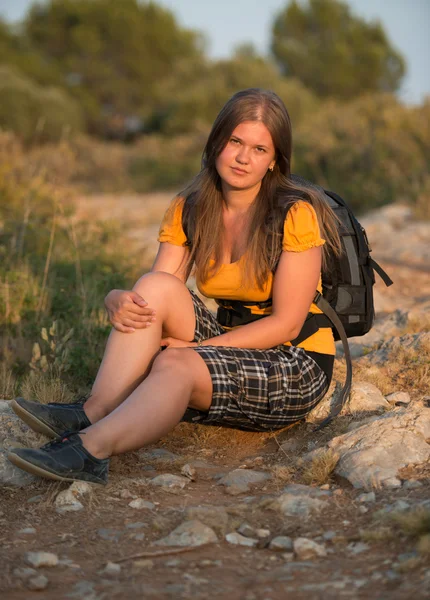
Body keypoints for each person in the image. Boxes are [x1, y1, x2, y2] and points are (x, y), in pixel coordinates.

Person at [8, 88, 341, 485]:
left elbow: (286, 325)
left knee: (174, 362)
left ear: (273, 161)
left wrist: (197, 350)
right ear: (217, 142)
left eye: (259, 149)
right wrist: (115, 299)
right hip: (234, 340)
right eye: (235, 142)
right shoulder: (192, 208)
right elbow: (158, 294)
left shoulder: (295, 213)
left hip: (293, 362)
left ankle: (90, 451)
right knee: (153, 287)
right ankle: (94, 409)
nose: (242, 158)